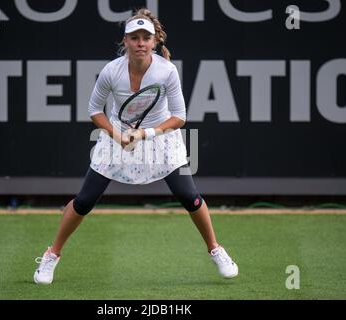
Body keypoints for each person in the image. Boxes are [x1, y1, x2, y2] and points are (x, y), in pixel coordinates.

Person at [33, 8, 238, 285]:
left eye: (145, 38)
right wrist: (118, 135)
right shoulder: (111, 71)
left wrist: (146, 133)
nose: (140, 43)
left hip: (160, 137)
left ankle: (216, 249)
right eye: (134, 37)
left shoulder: (166, 71)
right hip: (118, 135)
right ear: (125, 41)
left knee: (189, 196)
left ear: (154, 42)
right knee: (84, 201)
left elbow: (180, 117)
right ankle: (51, 255)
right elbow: (94, 110)